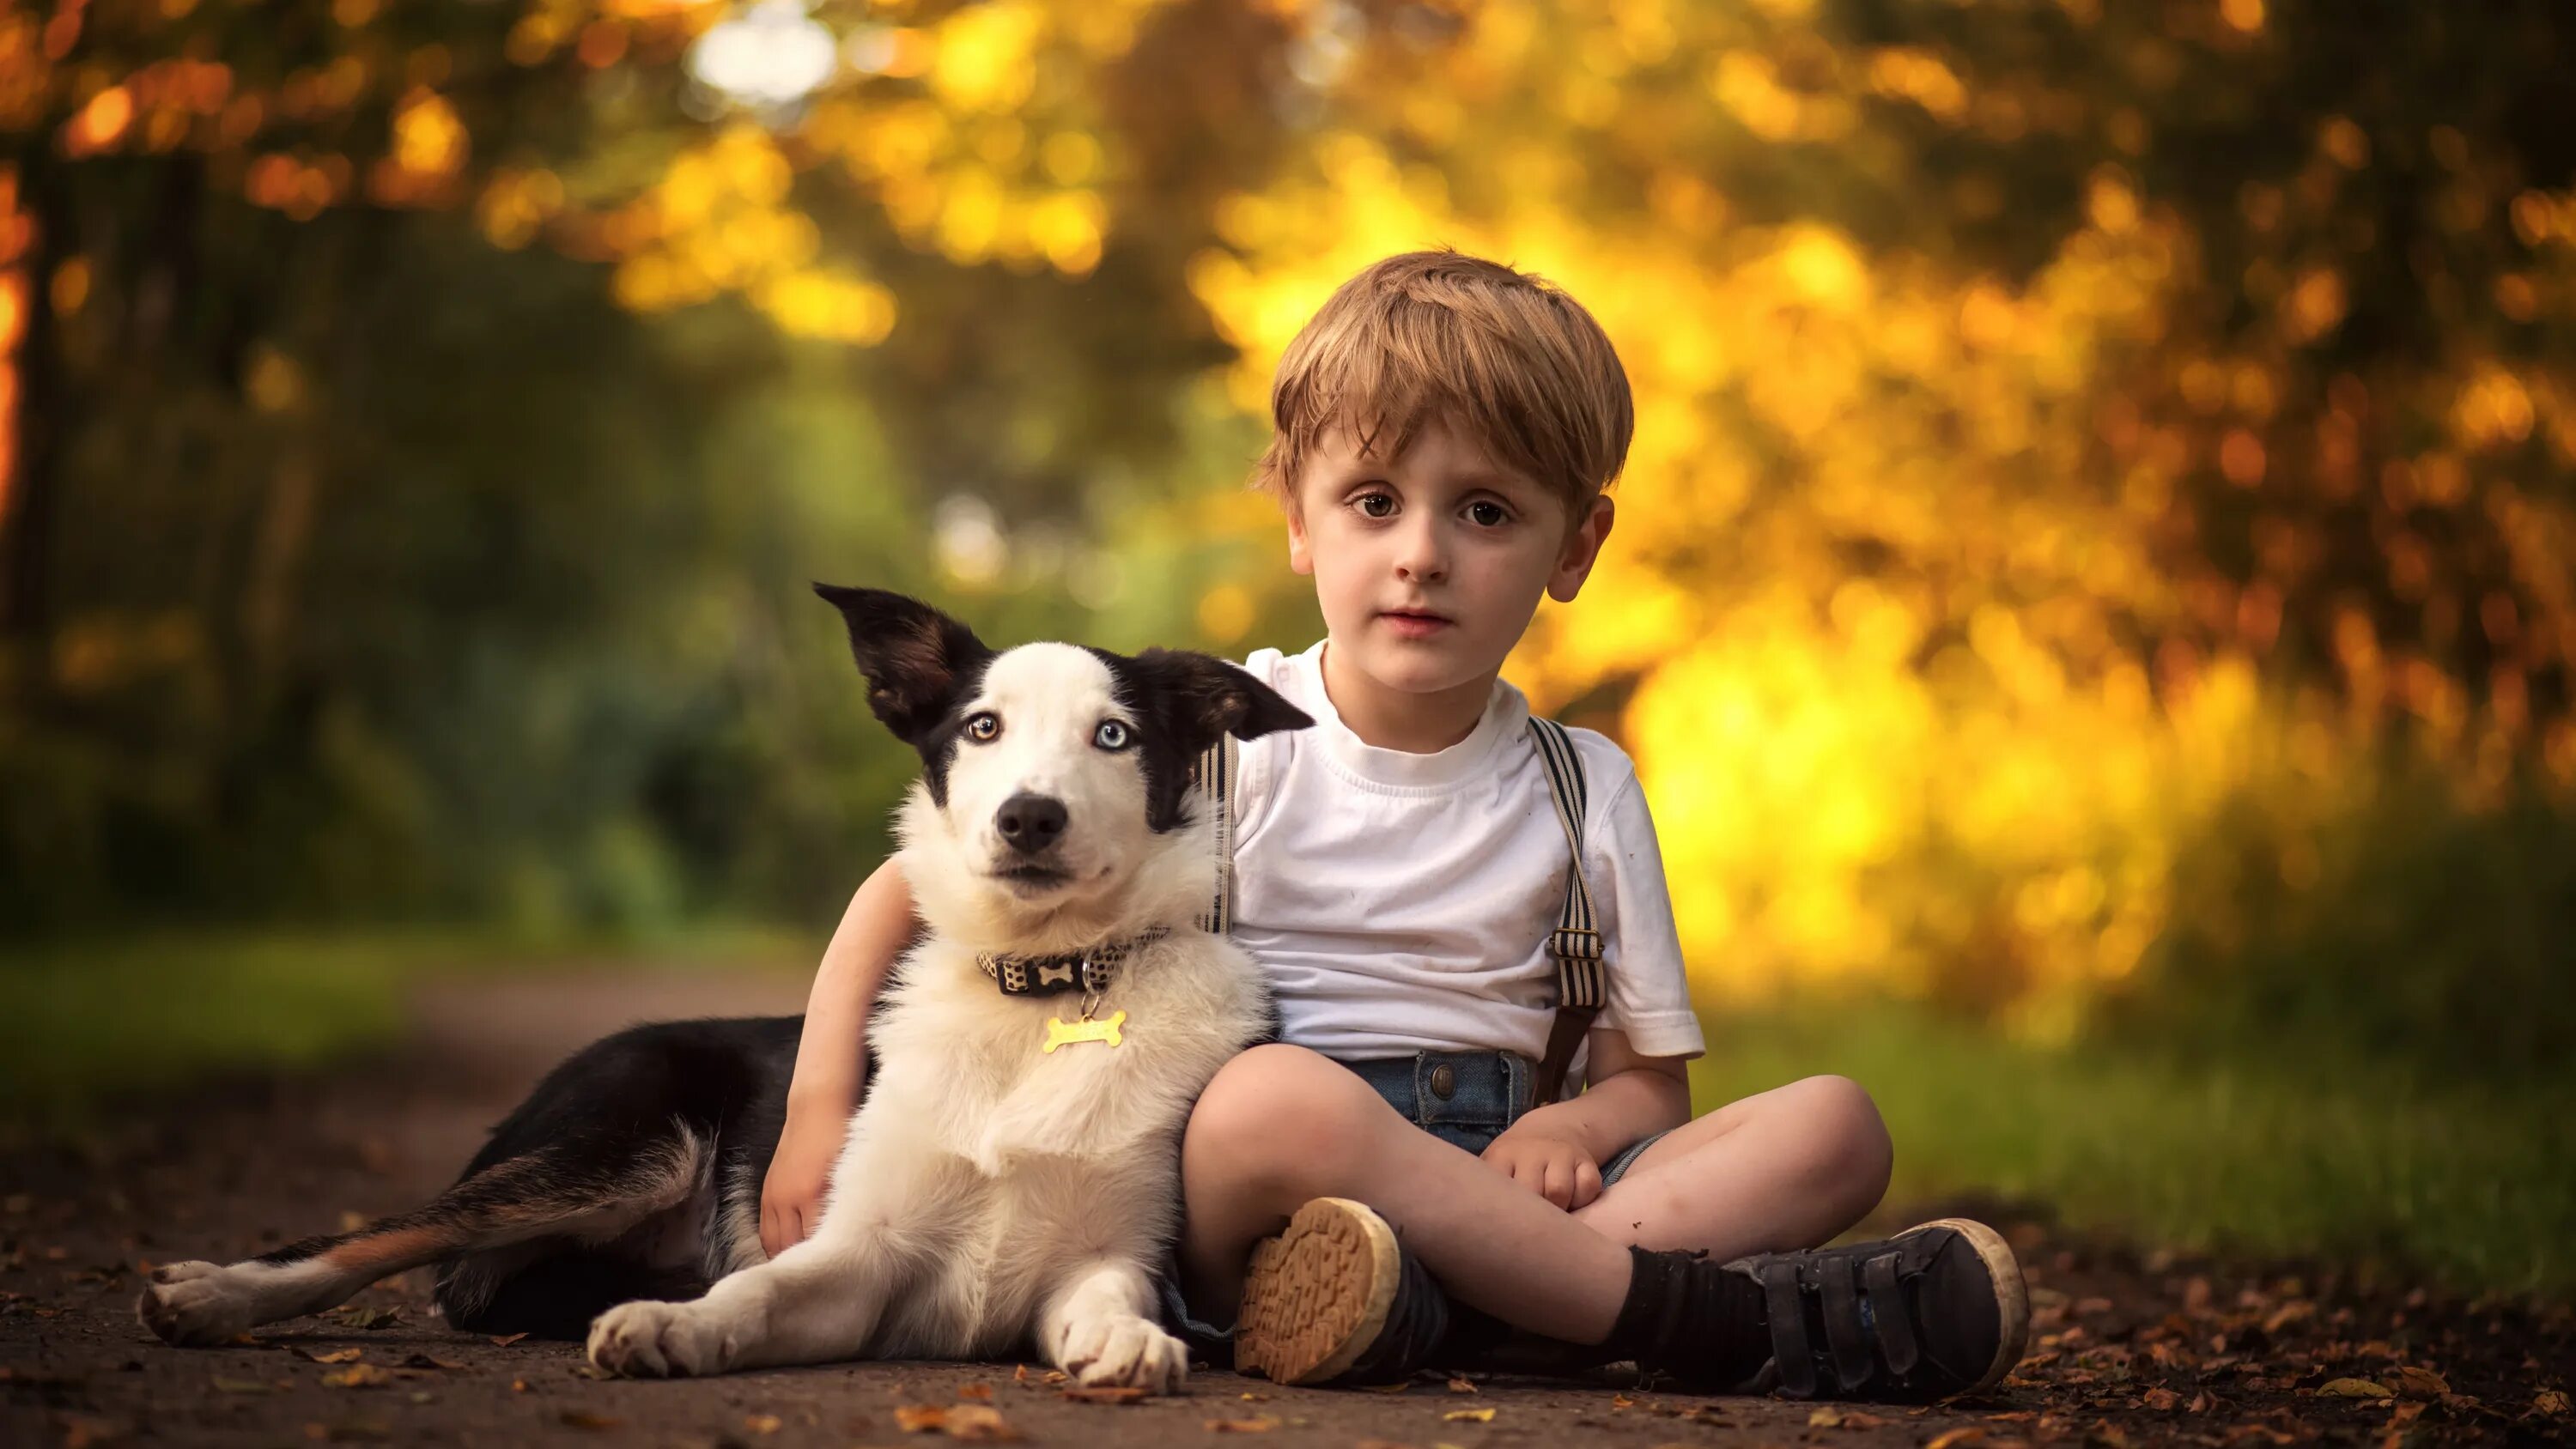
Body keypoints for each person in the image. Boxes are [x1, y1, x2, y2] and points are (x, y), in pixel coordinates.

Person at [760, 251, 2027, 1401]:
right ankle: (1683, 1319)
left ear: (1576, 546)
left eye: (1485, 512)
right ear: (1299, 523)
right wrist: (822, 1105)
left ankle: (1458, 1307)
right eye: (1375, 502)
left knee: (1836, 1124)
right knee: (1274, 1101)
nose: (1421, 553)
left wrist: (1569, 1126)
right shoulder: (1220, 740)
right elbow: (904, 892)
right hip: (1254, 1195)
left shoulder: (1586, 786)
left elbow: (1649, 1086)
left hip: (1520, 1176)